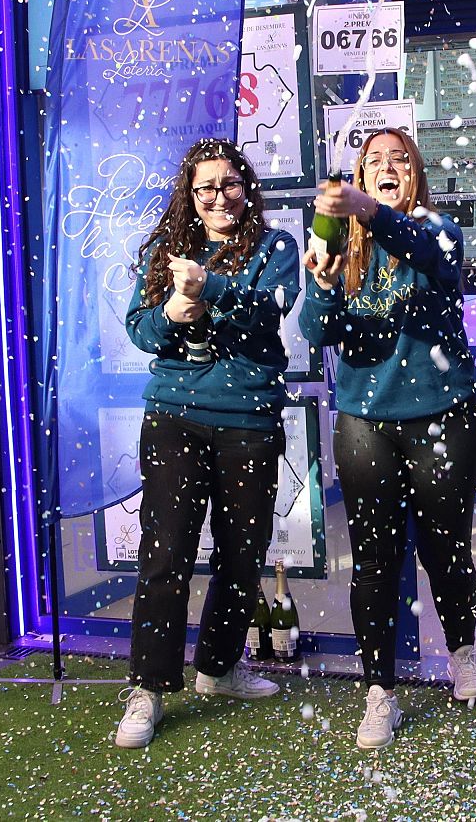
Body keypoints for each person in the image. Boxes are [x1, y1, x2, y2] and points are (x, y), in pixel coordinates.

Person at [299, 128, 476, 750]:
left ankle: (462, 652)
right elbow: (316, 331)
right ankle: (380, 688)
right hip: (363, 422)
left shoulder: (440, 229)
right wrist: (322, 286)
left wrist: (369, 212)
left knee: (446, 548)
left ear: (415, 175)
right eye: (374, 160)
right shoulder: (340, 247)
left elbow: (427, 252)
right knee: (374, 559)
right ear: (359, 172)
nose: (386, 167)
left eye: (398, 160)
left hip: (441, 416)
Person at [114, 138, 302, 750]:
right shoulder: (168, 249)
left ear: (246, 187)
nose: (218, 197)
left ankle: (218, 670)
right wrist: (171, 311)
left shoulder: (276, 247)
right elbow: (139, 329)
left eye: (228, 184)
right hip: (173, 418)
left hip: (247, 417)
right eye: (204, 189)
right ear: (189, 197)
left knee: (241, 554)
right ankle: (147, 689)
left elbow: (267, 308)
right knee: (165, 556)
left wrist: (209, 289)